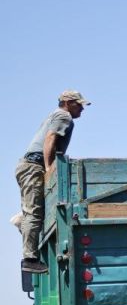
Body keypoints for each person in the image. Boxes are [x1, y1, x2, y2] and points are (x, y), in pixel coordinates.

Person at [16, 90, 90, 273]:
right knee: (34, 211)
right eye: (78, 104)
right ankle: (29, 258)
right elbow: (50, 139)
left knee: (32, 211)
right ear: (67, 102)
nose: (82, 108)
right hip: (35, 165)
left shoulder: (55, 114)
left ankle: (24, 227)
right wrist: (49, 168)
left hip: (29, 165)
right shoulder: (64, 116)